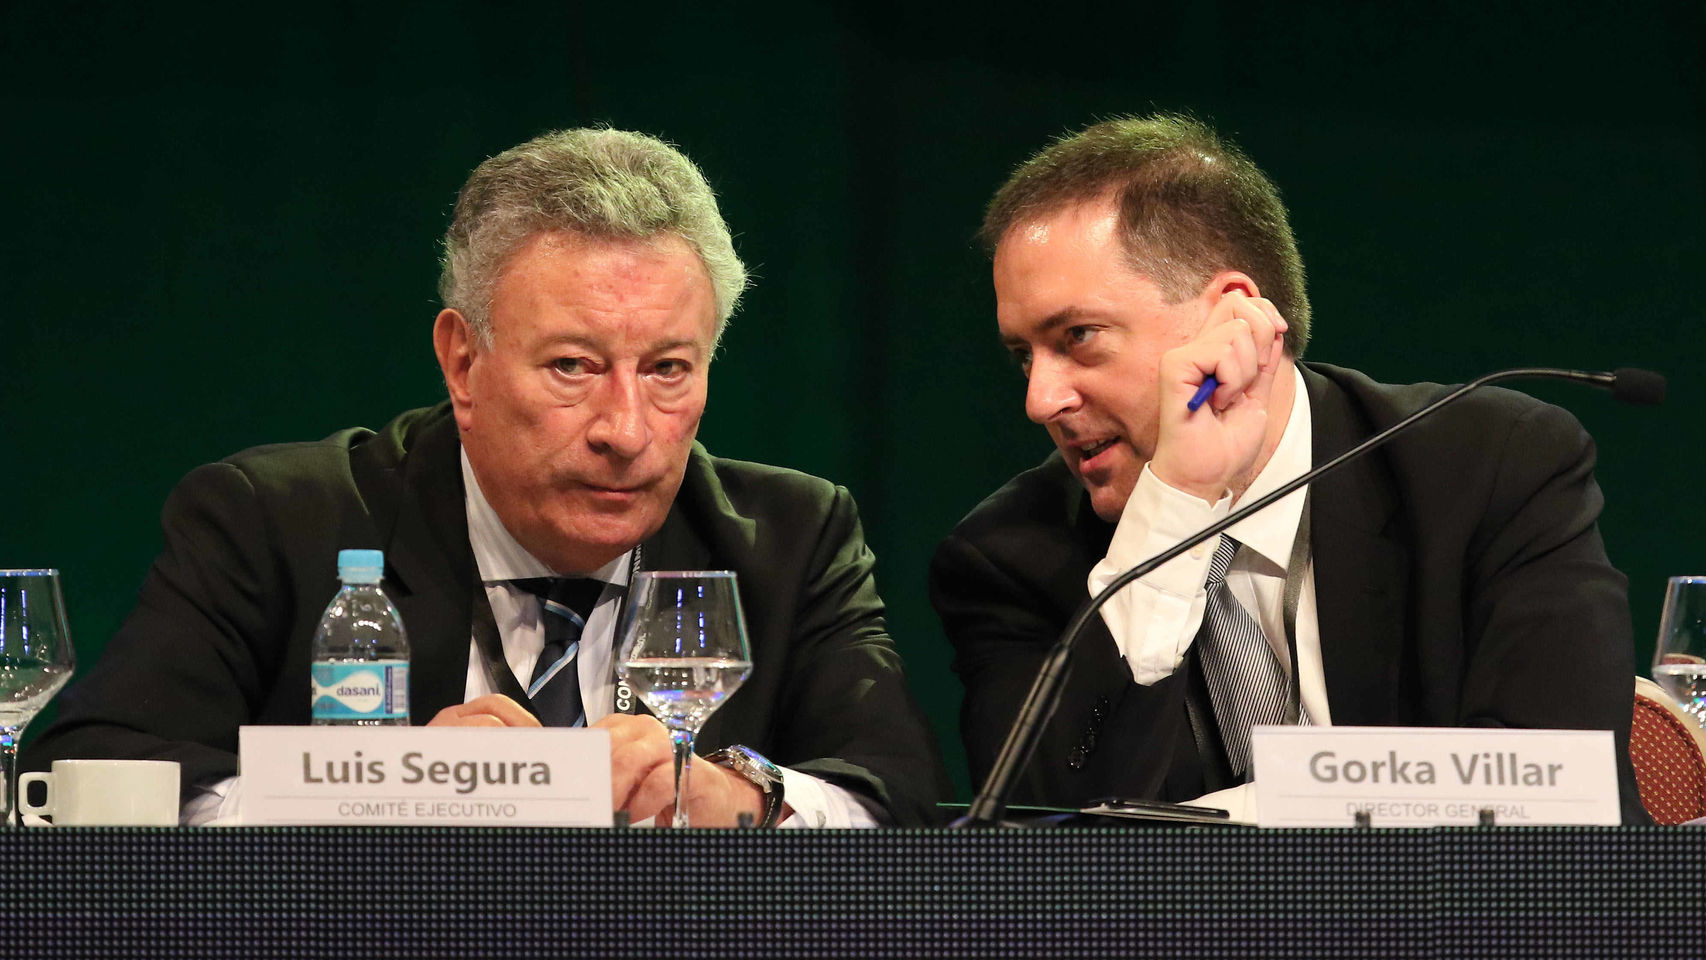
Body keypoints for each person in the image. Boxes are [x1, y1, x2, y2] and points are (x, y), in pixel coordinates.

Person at [31, 128, 948, 828]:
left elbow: (904, 804)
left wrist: (743, 797)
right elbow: (98, 778)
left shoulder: (791, 537)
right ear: (464, 364)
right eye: (573, 368)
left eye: (668, 369)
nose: (627, 432)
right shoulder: (276, 522)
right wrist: (381, 796)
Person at [930, 114, 1647, 822]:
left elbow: (1559, 800)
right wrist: (1174, 508)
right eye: (1025, 355)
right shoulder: (1007, 558)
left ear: (1231, 323)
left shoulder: (1488, 467)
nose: (1040, 399)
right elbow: (1040, 845)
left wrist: (1267, 815)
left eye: (1077, 336)